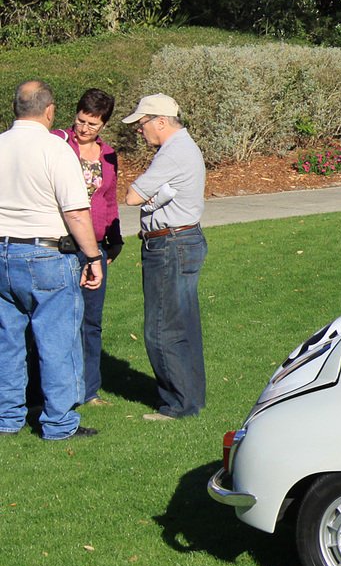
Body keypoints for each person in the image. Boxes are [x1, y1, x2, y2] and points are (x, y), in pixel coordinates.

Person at [0, 80, 105, 441]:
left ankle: (7, 417)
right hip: (45, 253)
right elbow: (76, 212)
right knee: (58, 340)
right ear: (49, 111)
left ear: (15, 108)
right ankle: (59, 423)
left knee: (7, 341)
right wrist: (92, 256)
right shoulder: (56, 150)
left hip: (2, 252)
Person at [123, 93, 208, 421]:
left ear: (160, 121)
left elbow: (132, 197)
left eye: (142, 123)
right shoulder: (184, 146)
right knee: (183, 323)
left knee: (162, 328)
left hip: (169, 245)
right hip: (184, 240)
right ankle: (191, 399)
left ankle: (177, 405)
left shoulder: (172, 153)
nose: (140, 130)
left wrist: (150, 200)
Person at [52, 88, 123, 406]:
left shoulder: (108, 155)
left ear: (103, 125)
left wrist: (113, 241)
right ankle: (47, 391)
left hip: (95, 246)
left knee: (91, 321)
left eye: (92, 125)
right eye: (81, 120)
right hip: (59, 243)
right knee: (56, 320)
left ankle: (89, 389)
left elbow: (109, 199)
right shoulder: (57, 142)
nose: (83, 129)